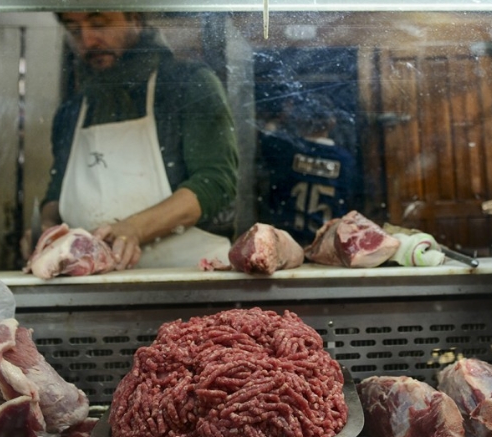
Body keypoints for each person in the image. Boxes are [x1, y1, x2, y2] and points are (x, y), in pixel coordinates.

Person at [24, 12, 239, 269]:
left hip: (188, 278)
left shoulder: (189, 86)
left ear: (135, 18)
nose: (88, 41)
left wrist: (134, 228)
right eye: (74, 30)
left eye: (99, 24)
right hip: (93, 283)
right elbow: (57, 194)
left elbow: (215, 182)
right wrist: (48, 229)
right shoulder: (71, 112)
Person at [259, 93, 362, 245]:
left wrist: (282, 116)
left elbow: (266, 134)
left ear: (298, 120)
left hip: (290, 240)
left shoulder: (286, 150)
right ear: (332, 122)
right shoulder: (345, 160)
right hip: (326, 243)